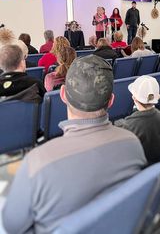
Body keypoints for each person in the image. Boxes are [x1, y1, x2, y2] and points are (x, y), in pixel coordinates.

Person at [2, 55, 147, 233]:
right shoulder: (132, 143)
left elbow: (12, 225)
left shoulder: (36, 162)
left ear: (62, 94)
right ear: (111, 100)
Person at [115, 76, 160, 164]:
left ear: (134, 98)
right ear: (158, 97)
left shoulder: (128, 125)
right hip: (155, 162)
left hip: (138, 166)